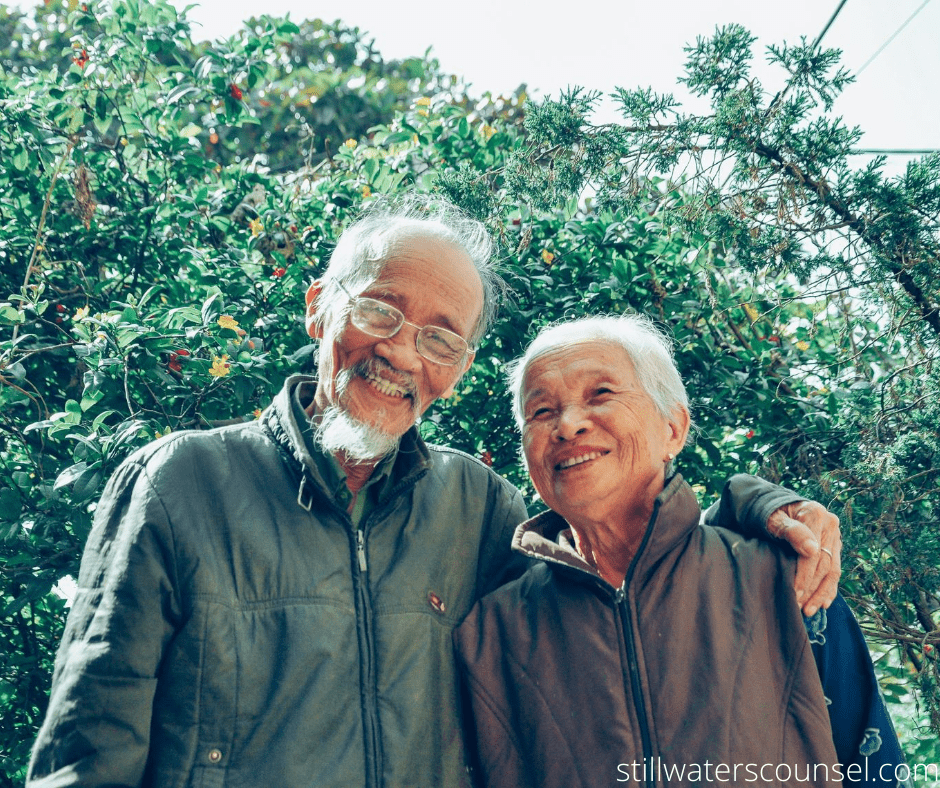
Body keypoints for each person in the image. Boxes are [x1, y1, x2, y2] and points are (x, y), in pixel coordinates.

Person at [28, 196, 841, 788]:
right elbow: (86, 752)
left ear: (458, 367)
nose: (403, 355)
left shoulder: (479, 507)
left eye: (442, 337)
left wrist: (754, 507)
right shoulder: (181, 484)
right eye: (380, 311)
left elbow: (617, 566)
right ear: (321, 309)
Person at [454, 315, 908, 788]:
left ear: (672, 429)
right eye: (542, 411)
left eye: (601, 394)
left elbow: (873, 766)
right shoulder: (492, 632)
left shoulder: (784, 578)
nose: (567, 425)